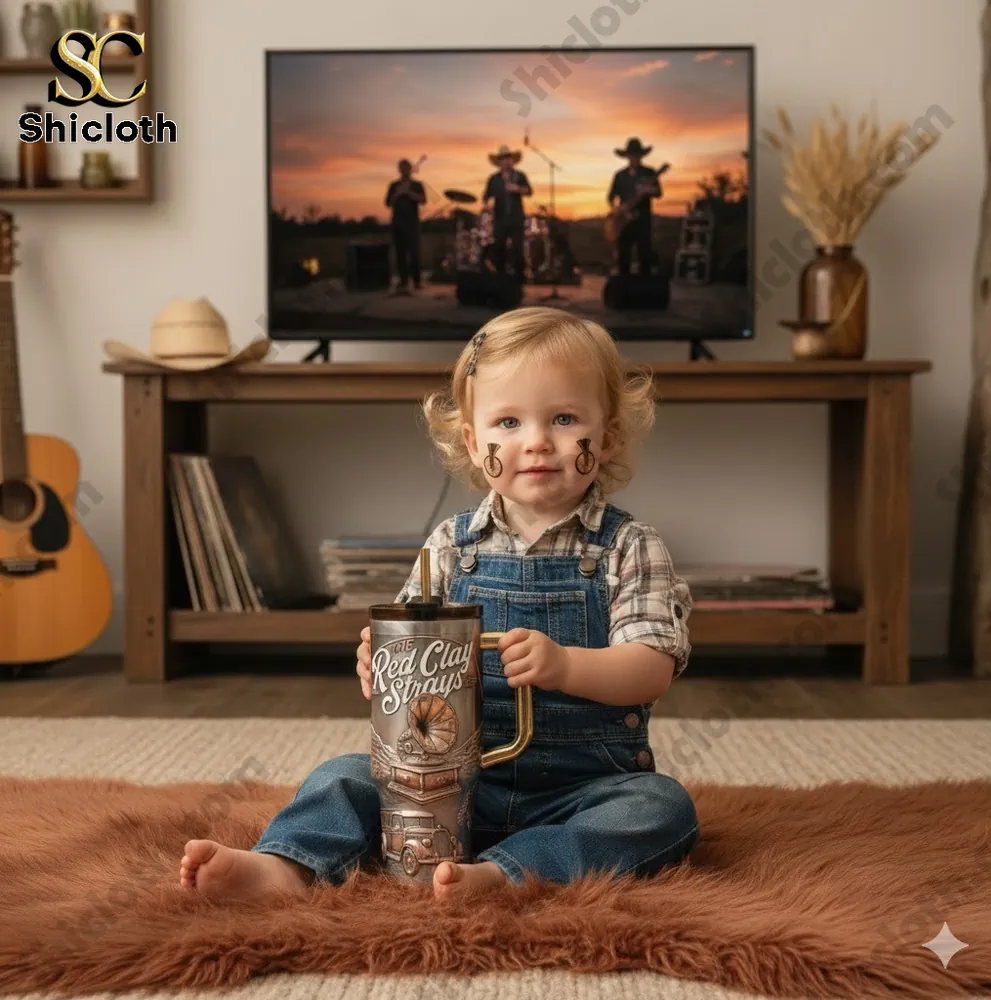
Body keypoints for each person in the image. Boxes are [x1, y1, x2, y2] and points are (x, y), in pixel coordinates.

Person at [178, 306, 698, 903]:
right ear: (474, 444)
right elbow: (407, 640)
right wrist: (380, 661)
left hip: (584, 787)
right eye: (507, 422)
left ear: (605, 438)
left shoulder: (630, 545)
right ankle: (284, 865)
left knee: (662, 809)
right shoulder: (451, 545)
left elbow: (651, 668)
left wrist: (567, 667)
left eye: (562, 418)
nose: (534, 441)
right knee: (343, 776)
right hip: (442, 783)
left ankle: (507, 873)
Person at [607, 137, 665, 276]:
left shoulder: (649, 172)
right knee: (623, 256)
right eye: (631, 155)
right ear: (627, 156)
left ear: (641, 155)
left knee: (644, 254)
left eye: (637, 154)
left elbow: (659, 193)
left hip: (643, 220)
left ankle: (644, 290)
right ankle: (624, 289)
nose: (634, 157)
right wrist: (617, 210)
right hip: (624, 221)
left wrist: (648, 190)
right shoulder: (619, 175)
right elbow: (610, 197)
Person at [482, 144, 533, 283]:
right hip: (500, 219)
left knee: (518, 249)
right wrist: (486, 206)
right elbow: (486, 196)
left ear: (512, 160)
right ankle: (501, 279)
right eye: (503, 159)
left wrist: (517, 189)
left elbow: (529, 191)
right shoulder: (494, 179)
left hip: (516, 218)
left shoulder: (520, 175)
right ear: (499, 162)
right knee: (498, 248)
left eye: (508, 158)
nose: (506, 161)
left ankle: (519, 280)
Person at [384, 158, 426, 292]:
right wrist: (398, 193)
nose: (404, 170)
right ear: (399, 170)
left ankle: (417, 281)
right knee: (400, 253)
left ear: (409, 169)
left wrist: (409, 193)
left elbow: (423, 200)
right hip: (397, 223)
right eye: (401, 168)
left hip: (412, 223)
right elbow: (388, 203)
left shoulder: (417, 184)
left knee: (414, 253)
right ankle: (403, 281)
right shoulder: (394, 185)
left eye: (406, 167)